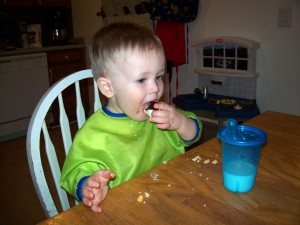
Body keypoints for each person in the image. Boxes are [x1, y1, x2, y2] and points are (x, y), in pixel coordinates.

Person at [60, 22, 202, 213]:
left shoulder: (161, 115)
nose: (155, 88)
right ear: (108, 88)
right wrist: (89, 185)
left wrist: (179, 122)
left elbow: (194, 133)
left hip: (171, 196)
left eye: (159, 76)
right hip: (124, 211)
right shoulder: (93, 134)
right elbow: (74, 172)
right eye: (142, 79)